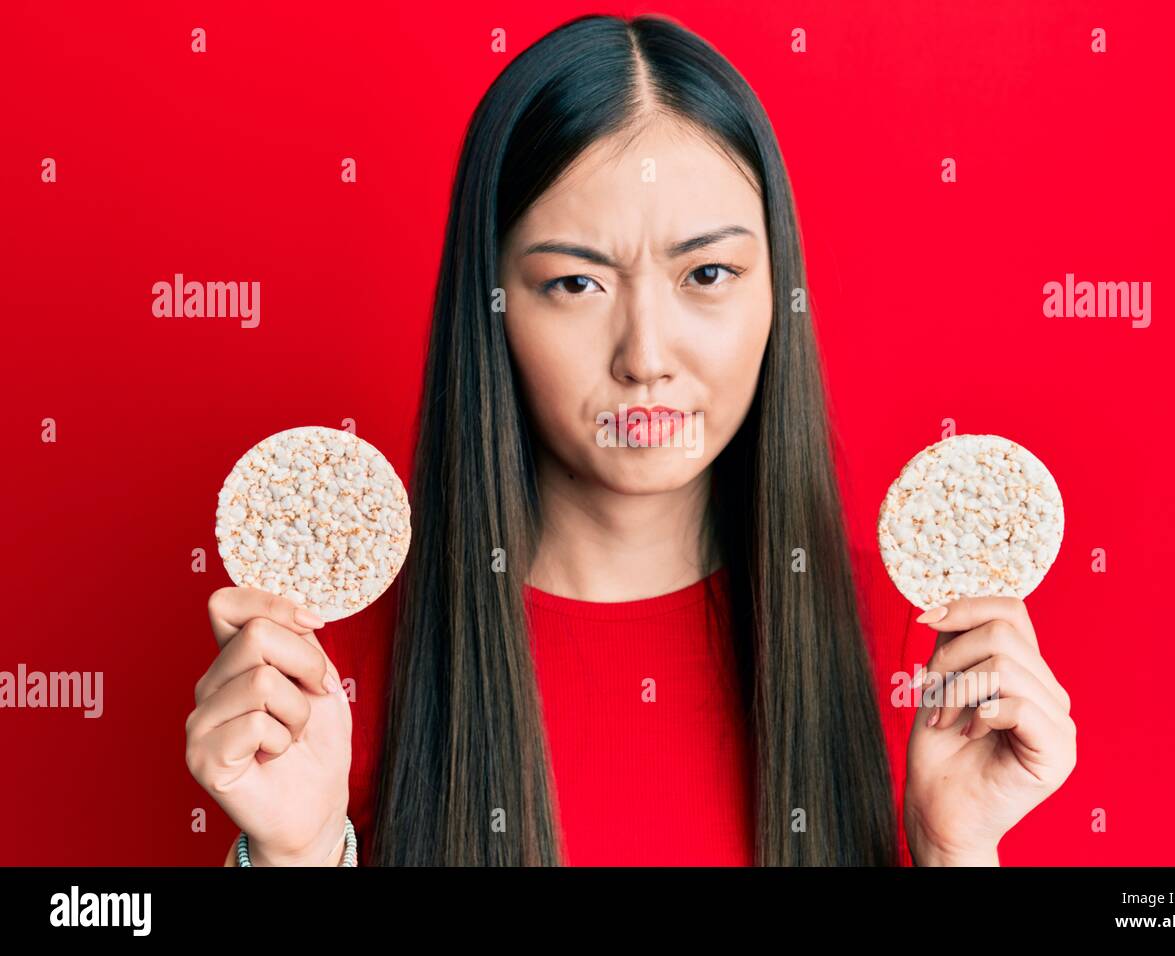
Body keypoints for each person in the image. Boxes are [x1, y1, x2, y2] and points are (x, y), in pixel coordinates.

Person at [186, 12, 1076, 867]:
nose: (646, 356)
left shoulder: (922, 663)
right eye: (575, 283)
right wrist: (293, 857)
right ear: (490, 308)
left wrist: (958, 855)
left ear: (778, 289)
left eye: (709, 273)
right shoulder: (318, 681)